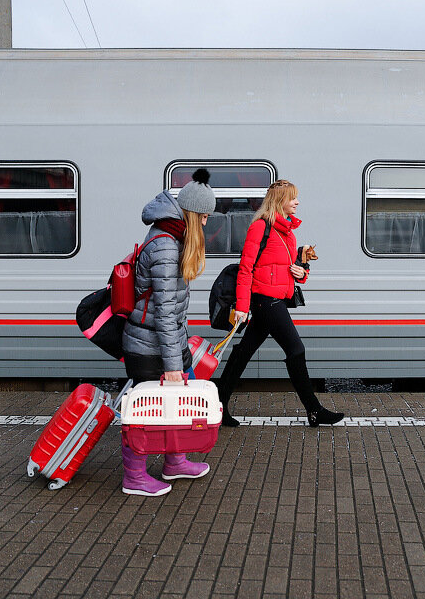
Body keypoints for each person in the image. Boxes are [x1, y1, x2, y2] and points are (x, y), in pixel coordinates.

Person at [119, 169, 216, 497]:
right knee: (143, 413)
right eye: (203, 216)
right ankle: (134, 476)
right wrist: (173, 366)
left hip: (167, 341)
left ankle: (175, 461)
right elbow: (163, 312)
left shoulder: (174, 237)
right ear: (190, 214)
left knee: (180, 403)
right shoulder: (165, 247)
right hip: (149, 346)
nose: (206, 223)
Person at [218, 180, 344, 427]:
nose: (297, 202)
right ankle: (314, 410)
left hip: (276, 300)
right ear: (279, 201)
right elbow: (245, 268)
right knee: (296, 350)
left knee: (243, 352)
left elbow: (287, 266)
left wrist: (302, 272)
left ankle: (219, 405)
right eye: (292, 198)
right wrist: (242, 306)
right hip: (266, 301)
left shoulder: (287, 232)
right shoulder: (260, 227)